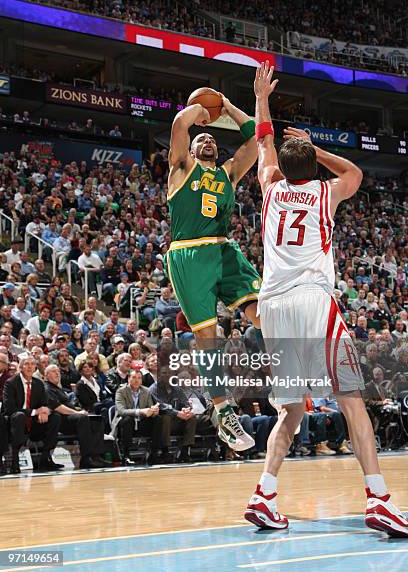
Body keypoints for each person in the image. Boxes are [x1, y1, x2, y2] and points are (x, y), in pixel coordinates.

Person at [244, 60, 408, 536]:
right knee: (352, 400)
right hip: (313, 303)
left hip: (272, 308)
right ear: (313, 166)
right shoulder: (327, 192)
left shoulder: (270, 187)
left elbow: (264, 142)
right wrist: (318, 147)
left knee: (292, 408)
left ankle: (265, 493)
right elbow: (354, 170)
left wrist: (260, 99)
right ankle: (378, 498)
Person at [166, 89, 264, 451]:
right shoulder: (181, 169)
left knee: (264, 314)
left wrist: (226, 105)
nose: (207, 140)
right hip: (189, 255)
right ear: (190, 150)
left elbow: (255, 140)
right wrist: (200, 111)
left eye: (211, 139)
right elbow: (180, 123)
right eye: (201, 138)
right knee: (209, 341)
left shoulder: (228, 174)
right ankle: (222, 411)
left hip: (224, 250)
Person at [2, 357, 62, 473]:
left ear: (35, 367)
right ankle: (15, 460)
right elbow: (10, 409)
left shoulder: (38, 383)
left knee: (55, 417)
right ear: (21, 367)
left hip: (34, 423)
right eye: (27, 364)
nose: (30, 367)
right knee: (19, 416)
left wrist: (45, 412)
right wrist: (35, 412)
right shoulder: (11, 383)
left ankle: (45, 458)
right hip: (14, 422)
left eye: (32, 364)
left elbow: (45, 404)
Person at [44, 364, 109, 469]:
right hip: (61, 421)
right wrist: (77, 413)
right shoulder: (46, 388)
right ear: (46, 376)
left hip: (72, 417)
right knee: (82, 418)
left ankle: (96, 456)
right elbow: (57, 407)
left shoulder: (58, 388)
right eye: (53, 371)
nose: (57, 373)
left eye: (58, 372)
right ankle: (85, 458)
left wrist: (80, 410)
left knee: (97, 419)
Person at [113, 370, 163, 465]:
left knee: (158, 419)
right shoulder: (121, 391)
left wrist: (154, 411)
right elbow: (121, 411)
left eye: (139, 378)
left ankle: (154, 453)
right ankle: (126, 455)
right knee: (128, 420)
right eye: (134, 377)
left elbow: (150, 407)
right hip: (126, 423)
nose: (137, 380)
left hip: (141, 423)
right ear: (128, 379)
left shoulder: (146, 391)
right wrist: (139, 411)